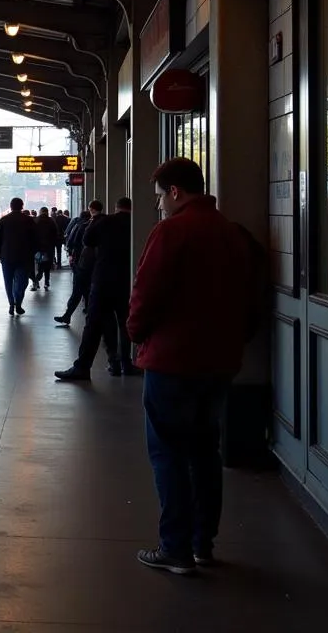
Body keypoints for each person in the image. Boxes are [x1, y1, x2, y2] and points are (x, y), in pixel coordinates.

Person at [128, 157, 259, 576]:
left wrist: (135, 332)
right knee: (205, 452)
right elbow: (253, 296)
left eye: (160, 198)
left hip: (172, 362)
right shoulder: (232, 233)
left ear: (175, 192)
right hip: (219, 363)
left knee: (168, 453)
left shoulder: (171, 231)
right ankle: (203, 544)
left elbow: (145, 294)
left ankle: (175, 549)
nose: (159, 206)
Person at [54, 197, 137, 380]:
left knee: (94, 323)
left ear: (116, 207)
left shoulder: (105, 221)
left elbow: (87, 240)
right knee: (125, 322)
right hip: (128, 280)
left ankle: (84, 366)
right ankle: (126, 362)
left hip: (104, 279)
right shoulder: (137, 223)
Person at [54, 202, 103, 324]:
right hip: (100, 264)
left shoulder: (84, 225)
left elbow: (73, 241)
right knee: (92, 290)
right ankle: (90, 312)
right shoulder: (107, 223)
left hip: (84, 263)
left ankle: (68, 315)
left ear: (91, 209)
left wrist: (72, 255)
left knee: (78, 290)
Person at [0, 197, 38, 316]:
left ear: (11, 206)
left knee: (8, 281)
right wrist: (32, 253)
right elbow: (35, 239)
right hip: (24, 257)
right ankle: (18, 303)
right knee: (22, 282)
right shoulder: (29, 220)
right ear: (22, 206)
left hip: (7, 256)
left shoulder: (3, 220)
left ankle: (11, 303)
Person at [32, 206, 59, 290]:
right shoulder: (51, 221)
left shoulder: (35, 220)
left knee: (39, 266)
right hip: (49, 248)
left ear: (40, 212)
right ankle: (46, 283)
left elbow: (31, 234)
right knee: (47, 267)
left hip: (38, 248)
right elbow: (56, 234)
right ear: (47, 212)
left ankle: (36, 281)